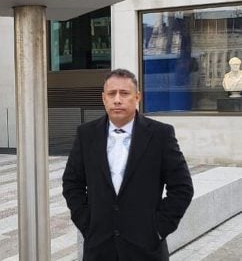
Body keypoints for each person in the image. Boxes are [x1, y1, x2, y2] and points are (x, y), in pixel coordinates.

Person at [62, 69, 194, 261]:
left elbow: (182, 188)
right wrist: (87, 224)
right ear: (103, 98)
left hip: (146, 249)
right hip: (99, 248)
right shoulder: (86, 135)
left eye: (124, 93)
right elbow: (72, 183)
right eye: (111, 93)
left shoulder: (160, 135)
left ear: (137, 97)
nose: (117, 99)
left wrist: (158, 228)